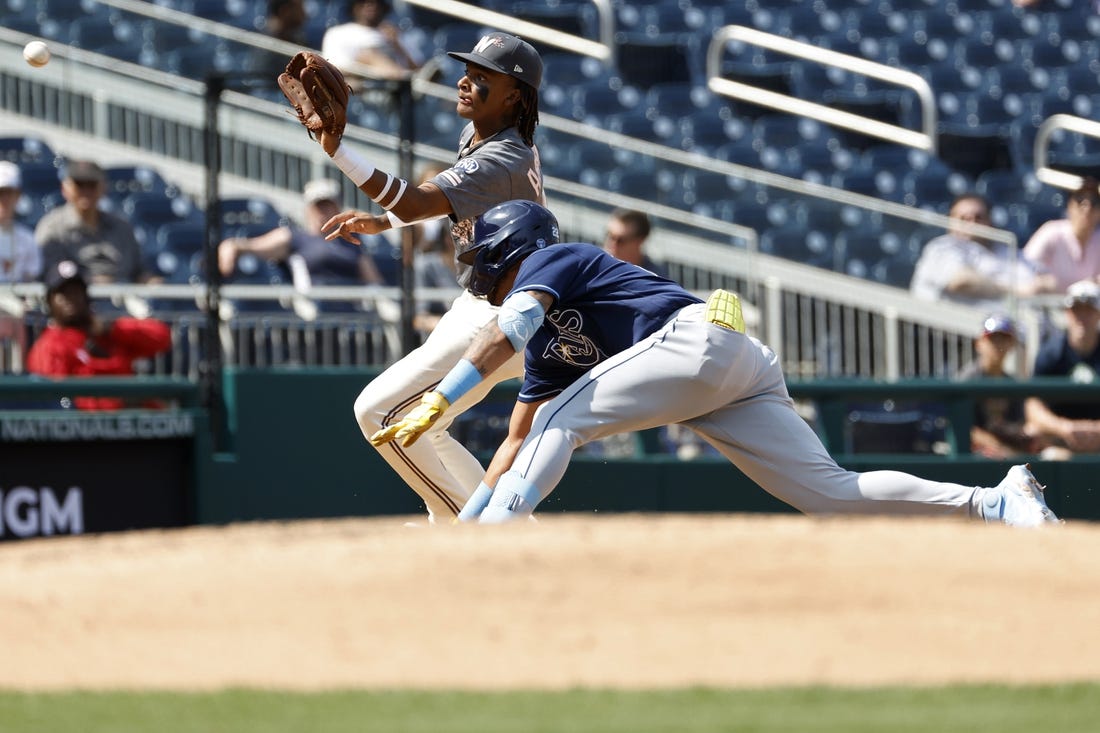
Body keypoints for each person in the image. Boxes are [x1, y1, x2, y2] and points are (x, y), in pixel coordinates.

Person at [370, 200, 1060, 528]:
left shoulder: (552, 257)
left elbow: (511, 327)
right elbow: (515, 444)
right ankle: (996, 501)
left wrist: (446, 394)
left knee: (560, 416)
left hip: (696, 339)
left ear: (508, 248)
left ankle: (498, 545)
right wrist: (468, 520)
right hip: (731, 371)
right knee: (830, 493)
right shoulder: (552, 353)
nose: (478, 271)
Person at [310, 32, 544, 522]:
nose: (465, 82)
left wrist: (339, 152)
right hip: (488, 301)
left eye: (482, 78)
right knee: (429, 426)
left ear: (515, 96)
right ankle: (496, 524)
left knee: (377, 412)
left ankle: (469, 530)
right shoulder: (484, 136)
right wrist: (383, 222)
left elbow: (417, 201)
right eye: (468, 71)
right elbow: (441, 202)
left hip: (505, 312)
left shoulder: (503, 157)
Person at [26, 260, 171, 410]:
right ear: (50, 302)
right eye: (63, 295)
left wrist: (112, 329)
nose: (71, 300)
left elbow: (161, 337)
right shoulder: (49, 346)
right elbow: (59, 402)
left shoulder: (109, 333)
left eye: (76, 292)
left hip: (134, 421)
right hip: (90, 426)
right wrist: (119, 402)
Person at [217, 178, 385, 305]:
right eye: (318, 206)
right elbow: (252, 246)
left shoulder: (352, 240)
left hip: (353, 312)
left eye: (328, 206)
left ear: (338, 209)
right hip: (315, 310)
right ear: (308, 210)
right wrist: (231, 246)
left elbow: (373, 280)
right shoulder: (295, 237)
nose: (323, 212)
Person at [910, 193, 1055, 310]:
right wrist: (1018, 291)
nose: (972, 223)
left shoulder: (1005, 248)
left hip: (1015, 333)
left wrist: (1040, 286)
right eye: (964, 218)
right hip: (949, 336)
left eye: (978, 218)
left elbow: (1047, 281)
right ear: (950, 222)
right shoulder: (942, 247)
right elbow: (962, 281)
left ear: (990, 221)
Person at [33, 159, 151, 285]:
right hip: (75, 299)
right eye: (79, 185)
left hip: (124, 299)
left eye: (91, 185)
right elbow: (51, 274)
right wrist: (91, 281)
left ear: (103, 188)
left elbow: (139, 271)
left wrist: (151, 283)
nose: (86, 191)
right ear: (65, 188)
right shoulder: (53, 227)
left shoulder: (122, 227)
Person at [1024, 279, 1100, 455]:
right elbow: (1033, 406)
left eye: (1088, 310)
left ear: (1098, 314)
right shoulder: (1051, 353)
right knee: (1033, 433)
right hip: (1060, 440)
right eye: (1076, 310)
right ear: (1067, 313)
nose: (1082, 317)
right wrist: (1065, 428)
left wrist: (1096, 429)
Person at [955, 314, 1042, 459]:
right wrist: (999, 447)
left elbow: (1019, 424)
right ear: (979, 343)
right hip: (973, 454)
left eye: (1003, 339)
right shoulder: (968, 379)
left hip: (1006, 452)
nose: (998, 345)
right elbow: (962, 427)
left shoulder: (1011, 383)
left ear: (1011, 344)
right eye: (992, 339)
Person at [1022, 177, 1100, 294]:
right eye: (1080, 200)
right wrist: (1042, 280)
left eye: (1094, 202)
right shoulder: (1051, 231)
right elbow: (1024, 266)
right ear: (1070, 207)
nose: (1087, 207)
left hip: (1087, 309)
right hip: (1050, 307)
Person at [321, 0, 422, 86]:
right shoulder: (338, 33)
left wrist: (397, 44)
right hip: (364, 87)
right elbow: (334, 70)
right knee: (369, 55)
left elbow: (418, 68)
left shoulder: (396, 34)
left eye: (377, 1)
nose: (371, 5)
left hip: (398, 90)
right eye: (364, 1)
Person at [244, 0, 308, 88]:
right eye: (299, 8)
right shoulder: (266, 44)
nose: (305, 15)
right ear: (285, 11)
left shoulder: (296, 37)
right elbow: (262, 84)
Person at [0, 161, 41, 283]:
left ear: (17, 195)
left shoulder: (27, 239)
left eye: (8, 193)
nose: (3, 199)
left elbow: (31, 279)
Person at [603, 208, 667, 278]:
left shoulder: (654, 279)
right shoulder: (595, 264)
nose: (611, 244)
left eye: (620, 240)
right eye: (609, 235)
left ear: (639, 241)